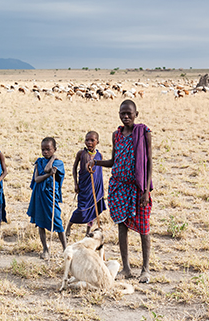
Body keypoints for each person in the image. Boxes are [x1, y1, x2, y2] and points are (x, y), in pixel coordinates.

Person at [88, 100, 153, 283]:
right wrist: (96, 162)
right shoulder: (116, 135)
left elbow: (149, 163)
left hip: (137, 188)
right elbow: (114, 161)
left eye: (129, 114)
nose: (125, 117)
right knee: (121, 226)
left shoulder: (143, 133)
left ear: (136, 114)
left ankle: (145, 269)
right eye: (122, 113)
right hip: (118, 186)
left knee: (143, 228)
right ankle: (126, 268)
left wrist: (146, 190)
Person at [27, 137, 67, 259]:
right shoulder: (39, 162)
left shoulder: (58, 163)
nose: (45, 152)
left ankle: (65, 249)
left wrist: (53, 160)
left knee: (58, 222)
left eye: (48, 149)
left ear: (54, 149)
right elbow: (38, 178)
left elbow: (48, 169)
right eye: (43, 149)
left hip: (50, 196)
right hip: (39, 195)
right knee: (40, 223)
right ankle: (45, 248)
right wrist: (49, 174)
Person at [65, 131, 107, 238]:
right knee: (82, 210)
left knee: (93, 209)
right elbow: (74, 168)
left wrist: (100, 188)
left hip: (95, 188)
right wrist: (75, 183)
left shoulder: (99, 155)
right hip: (84, 187)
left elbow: (99, 173)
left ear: (97, 142)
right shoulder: (81, 154)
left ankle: (88, 231)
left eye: (92, 140)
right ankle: (69, 225)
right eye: (87, 140)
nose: (89, 142)